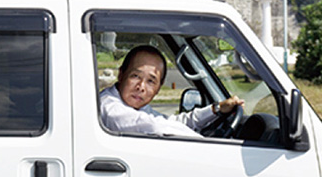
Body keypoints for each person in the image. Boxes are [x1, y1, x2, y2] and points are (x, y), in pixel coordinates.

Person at [99, 45, 244, 138]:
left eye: (151, 81)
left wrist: (216, 109)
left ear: (158, 88)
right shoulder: (109, 106)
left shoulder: (137, 108)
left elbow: (171, 122)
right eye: (135, 76)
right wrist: (204, 143)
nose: (141, 86)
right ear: (121, 75)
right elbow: (153, 126)